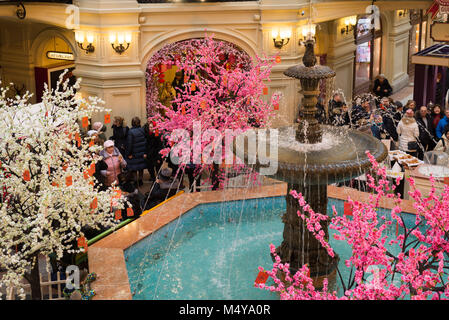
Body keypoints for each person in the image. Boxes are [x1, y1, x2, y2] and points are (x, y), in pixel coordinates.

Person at [125, 117, 148, 186]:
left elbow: (129, 143)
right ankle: (140, 180)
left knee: (134, 167)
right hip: (142, 152)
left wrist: (128, 153)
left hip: (134, 153)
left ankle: (135, 181)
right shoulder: (142, 130)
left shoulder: (130, 132)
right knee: (141, 167)